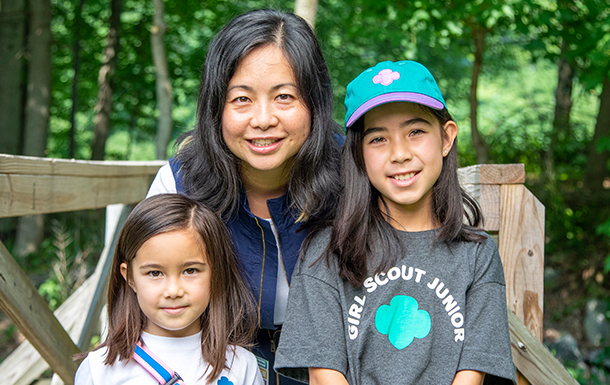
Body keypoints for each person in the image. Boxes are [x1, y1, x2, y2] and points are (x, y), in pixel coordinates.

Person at [274, 60, 517, 385]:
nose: (399, 153)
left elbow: (471, 376)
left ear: (446, 138)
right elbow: (324, 376)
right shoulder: (326, 253)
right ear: (358, 154)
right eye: (378, 139)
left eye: (415, 131)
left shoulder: (477, 256)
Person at [146, 9, 342, 385]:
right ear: (216, 106)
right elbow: (140, 298)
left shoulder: (355, 173)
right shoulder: (179, 182)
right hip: (213, 366)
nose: (263, 119)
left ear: (313, 103)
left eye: (284, 96)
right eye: (241, 99)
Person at [74, 194, 262, 385]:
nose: (173, 291)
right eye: (155, 273)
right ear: (130, 277)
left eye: (190, 270)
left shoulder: (242, 367)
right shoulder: (99, 370)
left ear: (215, 273)